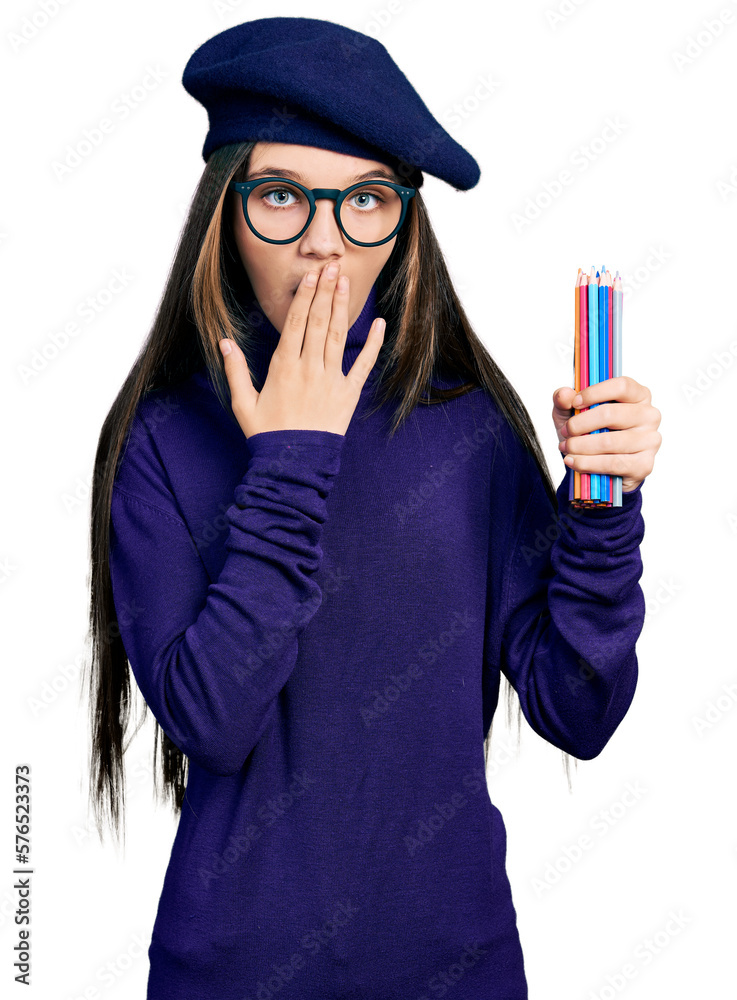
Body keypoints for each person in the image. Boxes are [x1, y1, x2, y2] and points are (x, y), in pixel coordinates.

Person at [84, 16, 661, 1000]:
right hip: (231, 975)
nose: (322, 245)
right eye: (279, 197)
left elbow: (576, 707)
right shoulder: (160, 438)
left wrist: (600, 511)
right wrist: (291, 459)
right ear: (222, 211)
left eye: (362, 201)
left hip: (457, 969)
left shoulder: (466, 426)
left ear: (402, 227)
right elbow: (212, 724)